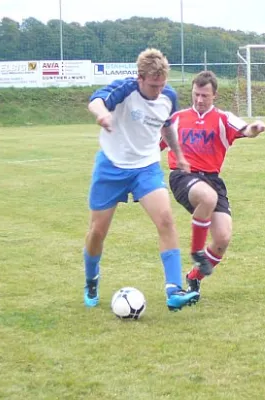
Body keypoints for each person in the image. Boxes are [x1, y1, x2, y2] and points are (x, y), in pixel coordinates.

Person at [83, 48, 200, 311]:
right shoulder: (125, 89)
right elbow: (95, 100)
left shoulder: (168, 96)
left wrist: (178, 154)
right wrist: (102, 114)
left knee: (166, 220)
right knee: (97, 232)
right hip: (111, 167)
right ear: (140, 77)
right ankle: (91, 279)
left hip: (145, 168)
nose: (158, 90)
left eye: (162, 84)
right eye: (153, 84)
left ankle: (173, 290)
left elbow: (167, 126)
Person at [160, 70, 265, 296]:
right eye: (196, 94)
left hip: (212, 180)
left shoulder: (222, 118)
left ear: (214, 96)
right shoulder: (177, 119)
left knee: (222, 239)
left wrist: (255, 129)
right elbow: (154, 146)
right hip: (183, 176)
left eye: (204, 96)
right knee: (207, 198)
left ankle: (194, 278)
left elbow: (246, 130)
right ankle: (197, 251)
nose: (199, 100)